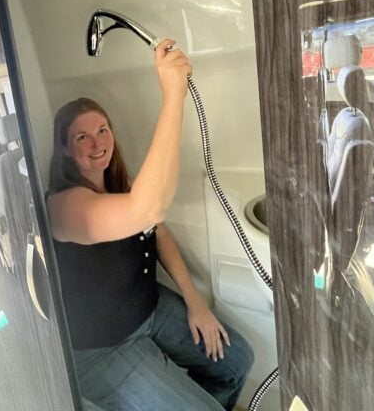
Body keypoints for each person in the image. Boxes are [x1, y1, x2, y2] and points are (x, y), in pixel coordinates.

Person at [48, 39, 254, 411]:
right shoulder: (64, 206)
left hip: (150, 309)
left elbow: (156, 228)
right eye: (82, 136)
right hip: (105, 347)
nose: (98, 143)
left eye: (103, 130)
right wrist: (173, 95)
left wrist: (195, 303)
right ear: (64, 148)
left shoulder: (117, 186)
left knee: (238, 362)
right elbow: (148, 210)